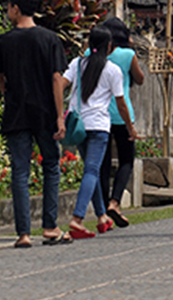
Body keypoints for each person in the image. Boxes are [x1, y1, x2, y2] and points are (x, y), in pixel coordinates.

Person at [0, 0, 69, 247]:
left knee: (20, 172)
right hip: (45, 112)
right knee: (51, 167)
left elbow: (0, 76)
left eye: (9, 7)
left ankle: (23, 234)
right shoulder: (50, 39)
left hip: (16, 113)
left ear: (15, 8)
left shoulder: (4, 40)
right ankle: (49, 226)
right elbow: (56, 79)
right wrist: (60, 117)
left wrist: (8, 93)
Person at [63, 27, 136, 239]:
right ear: (110, 47)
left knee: (90, 170)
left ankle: (102, 216)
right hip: (99, 126)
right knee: (91, 171)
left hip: (78, 125)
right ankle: (77, 219)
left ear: (88, 45)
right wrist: (130, 127)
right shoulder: (113, 70)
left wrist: (60, 112)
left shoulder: (77, 64)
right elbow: (121, 103)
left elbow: (61, 82)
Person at [97, 17, 144, 226]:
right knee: (126, 160)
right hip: (122, 115)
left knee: (103, 163)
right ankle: (115, 202)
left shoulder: (92, 53)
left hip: (99, 114)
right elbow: (140, 78)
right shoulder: (127, 55)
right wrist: (132, 51)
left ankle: (103, 207)